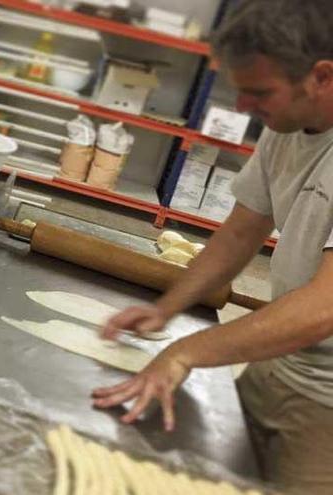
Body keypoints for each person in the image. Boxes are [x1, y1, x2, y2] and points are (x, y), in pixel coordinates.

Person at [91, 0, 333, 492]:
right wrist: (168, 308)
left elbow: (322, 309)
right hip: (279, 361)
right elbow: (242, 231)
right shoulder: (284, 129)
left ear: (322, 77)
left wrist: (185, 353)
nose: (243, 107)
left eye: (259, 92)